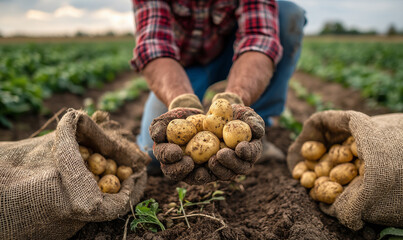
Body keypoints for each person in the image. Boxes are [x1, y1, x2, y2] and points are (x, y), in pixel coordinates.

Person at [131, 0, 306, 184]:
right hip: (181, 65)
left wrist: (235, 99)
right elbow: (153, 46)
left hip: (232, 55)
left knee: (288, 14)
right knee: (153, 152)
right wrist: (181, 100)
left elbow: (259, 38)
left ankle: (259, 121)